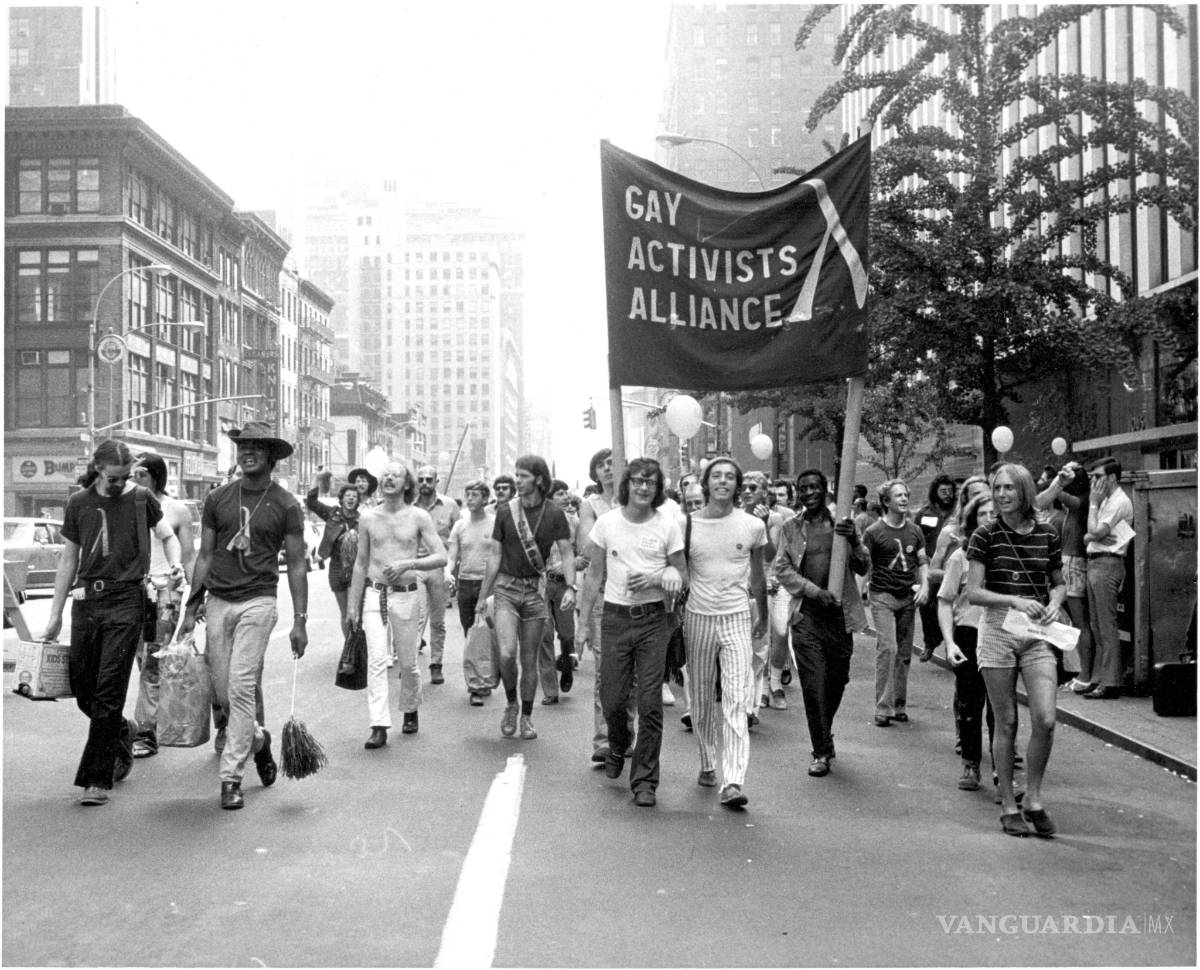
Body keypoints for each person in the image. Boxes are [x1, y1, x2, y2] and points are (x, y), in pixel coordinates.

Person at [179, 423, 308, 810]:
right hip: (218, 600)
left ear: (272, 457)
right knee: (222, 693)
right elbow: (205, 556)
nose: (247, 453)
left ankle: (231, 777)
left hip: (258, 602)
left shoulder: (286, 504)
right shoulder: (217, 498)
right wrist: (191, 608)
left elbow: (297, 564)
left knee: (240, 687)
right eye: (243, 446)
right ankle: (259, 740)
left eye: (256, 447)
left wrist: (300, 620)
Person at [41, 440, 175, 806]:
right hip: (87, 601)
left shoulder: (141, 499)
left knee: (109, 691)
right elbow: (69, 560)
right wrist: (54, 615)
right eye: (113, 478)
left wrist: (175, 565)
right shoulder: (78, 503)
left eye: (125, 477)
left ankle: (97, 780)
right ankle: (122, 729)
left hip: (127, 600)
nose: (119, 484)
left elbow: (168, 536)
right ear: (98, 470)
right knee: (83, 687)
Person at [577, 458, 685, 808]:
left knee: (650, 703)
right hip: (615, 618)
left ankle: (645, 780)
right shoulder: (607, 523)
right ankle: (619, 743)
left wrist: (659, 577)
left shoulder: (667, 525)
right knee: (612, 698)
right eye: (638, 480)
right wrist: (582, 623)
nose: (643, 487)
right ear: (627, 485)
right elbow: (594, 574)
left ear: (658, 488)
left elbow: (682, 574)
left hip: (654, 620)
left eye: (650, 482)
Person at [966, 462, 1066, 838]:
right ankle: (1008, 804)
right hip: (998, 629)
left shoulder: (1047, 533)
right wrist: (1014, 600)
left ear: (1024, 491)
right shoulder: (985, 535)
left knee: (1045, 718)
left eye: (1009, 488)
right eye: (997, 488)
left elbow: (1057, 582)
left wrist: (1055, 602)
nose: (1002, 494)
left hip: (1037, 632)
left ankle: (1034, 799)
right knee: (1005, 721)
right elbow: (974, 592)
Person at [682, 457, 768, 809]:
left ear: (737, 485)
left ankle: (733, 780)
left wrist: (762, 615)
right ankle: (707, 761)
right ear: (706, 484)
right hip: (698, 618)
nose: (723, 481)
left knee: (736, 697)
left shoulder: (752, 525)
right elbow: (679, 573)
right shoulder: (687, 524)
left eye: (730, 477)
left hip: (737, 617)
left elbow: (758, 575)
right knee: (702, 698)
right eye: (716, 476)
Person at [774, 469, 870, 776]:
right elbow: (782, 569)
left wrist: (854, 540)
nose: (809, 493)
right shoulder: (791, 527)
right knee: (813, 685)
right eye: (803, 488)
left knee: (838, 680)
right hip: (807, 615)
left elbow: (863, 565)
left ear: (825, 489)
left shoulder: (842, 525)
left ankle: (824, 730)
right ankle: (821, 751)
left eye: (814, 487)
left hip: (841, 616)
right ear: (798, 494)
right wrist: (814, 591)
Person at [345, 459, 446, 748]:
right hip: (375, 594)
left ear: (406, 484)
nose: (389, 479)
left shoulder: (418, 517)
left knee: (408, 662)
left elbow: (441, 556)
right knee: (376, 662)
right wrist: (353, 605)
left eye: (396, 475)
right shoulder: (368, 517)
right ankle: (378, 724)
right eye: (385, 475)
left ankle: (410, 708)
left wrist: (408, 564)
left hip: (406, 594)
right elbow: (361, 562)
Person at [476, 455, 574, 741]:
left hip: (535, 591)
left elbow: (567, 551)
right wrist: (483, 595)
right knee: (507, 654)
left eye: (523, 476)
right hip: (506, 589)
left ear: (539, 479)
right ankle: (511, 703)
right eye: (516, 475)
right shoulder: (506, 511)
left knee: (529, 659)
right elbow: (495, 554)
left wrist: (571, 587)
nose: (517, 480)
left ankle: (527, 716)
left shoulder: (554, 514)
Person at [129, 452, 195, 758]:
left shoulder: (176, 510)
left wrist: (197, 598)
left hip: (166, 592)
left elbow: (189, 555)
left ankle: (146, 731)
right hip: (134, 591)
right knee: (141, 659)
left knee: (153, 660)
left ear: (156, 476)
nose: (135, 479)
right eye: (133, 474)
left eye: (142, 473)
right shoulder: (127, 505)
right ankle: (153, 718)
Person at [937, 493, 997, 793]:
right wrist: (949, 642)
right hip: (968, 635)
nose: (989, 518)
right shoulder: (960, 558)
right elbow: (945, 601)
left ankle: (1001, 771)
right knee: (970, 704)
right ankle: (971, 763)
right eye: (983, 514)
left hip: (1000, 636)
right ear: (972, 521)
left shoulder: (1009, 554)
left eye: (994, 514)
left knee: (1000, 709)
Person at [576, 447, 632, 763]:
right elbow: (586, 547)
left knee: (632, 671)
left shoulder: (637, 500)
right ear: (595, 473)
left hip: (634, 592)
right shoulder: (591, 505)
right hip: (602, 593)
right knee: (605, 670)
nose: (609, 468)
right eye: (602, 465)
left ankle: (626, 733)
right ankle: (603, 738)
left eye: (614, 463)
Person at [862, 479, 929, 726]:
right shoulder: (874, 532)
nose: (904, 499)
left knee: (904, 652)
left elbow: (922, 562)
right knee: (887, 648)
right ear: (886, 501)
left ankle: (899, 704)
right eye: (898, 495)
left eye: (905, 495)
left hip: (907, 597)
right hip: (882, 596)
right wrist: (859, 592)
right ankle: (883, 707)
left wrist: (925, 586)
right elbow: (864, 563)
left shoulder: (915, 530)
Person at [1035, 462, 1094, 692]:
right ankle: (1081, 671)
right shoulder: (1077, 505)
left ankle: (1085, 673)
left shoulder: (1080, 502)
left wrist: (1057, 481)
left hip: (1074, 563)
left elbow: (1054, 491)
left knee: (1080, 623)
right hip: (1069, 562)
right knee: (1074, 622)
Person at [1080, 456, 1134, 699]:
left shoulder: (1118, 502)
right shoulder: (1107, 500)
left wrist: (1093, 505)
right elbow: (1091, 536)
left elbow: (1094, 531)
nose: (1094, 481)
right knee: (1096, 624)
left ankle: (1110, 681)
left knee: (1106, 624)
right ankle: (1099, 677)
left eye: (1098, 476)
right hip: (1097, 561)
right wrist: (1093, 536)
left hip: (1107, 563)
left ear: (1112, 478)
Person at [739, 470, 779, 722]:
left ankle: (752, 707)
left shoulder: (774, 519)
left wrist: (762, 524)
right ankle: (742, 704)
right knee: (738, 650)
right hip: (737, 591)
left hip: (761, 591)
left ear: (764, 491)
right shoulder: (734, 516)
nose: (747, 491)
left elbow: (769, 555)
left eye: (753, 487)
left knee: (758, 650)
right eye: (744, 487)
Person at [413, 465, 457, 686]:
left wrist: (453, 570)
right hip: (416, 567)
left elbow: (457, 538)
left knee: (438, 621)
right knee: (417, 616)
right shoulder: (409, 507)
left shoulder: (450, 505)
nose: (424, 483)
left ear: (436, 481)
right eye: (421, 479)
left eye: (429, 479)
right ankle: (410, 665)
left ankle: (436, 664)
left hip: (440, 568)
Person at [538, 479, 579, 703]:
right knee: (543, 634)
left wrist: (571, 564)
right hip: (541, 585)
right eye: (560, 493)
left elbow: (584, 553)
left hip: (564, 584)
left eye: (566, 493)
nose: (566, 497)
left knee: (566, 633)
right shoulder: (536, 521)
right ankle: (550, 690)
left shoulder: (574, 522)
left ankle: (566, 662)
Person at [306, 481, 362, 637]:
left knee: (354, 611)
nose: (351, 498)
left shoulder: (362, 520)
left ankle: (357, 644)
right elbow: (311, 503)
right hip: (336, 567)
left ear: (358, 500)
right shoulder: (331, 513)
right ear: (342, 498)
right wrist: (318, 478)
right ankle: (349, 646)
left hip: (356, 568)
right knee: (345, 613)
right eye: (347, 495)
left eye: (354, 496)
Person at [914, 474, 957, 662]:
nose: (947, 495)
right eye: (943, 491)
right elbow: (916, 538)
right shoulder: (924, 514)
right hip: (930, 566)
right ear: (935, 492)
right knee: (927, 605)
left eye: (950, 491)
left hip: (953, 565)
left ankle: (952, 646)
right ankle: (930, 642)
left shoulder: (958, 511)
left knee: (953, 606)